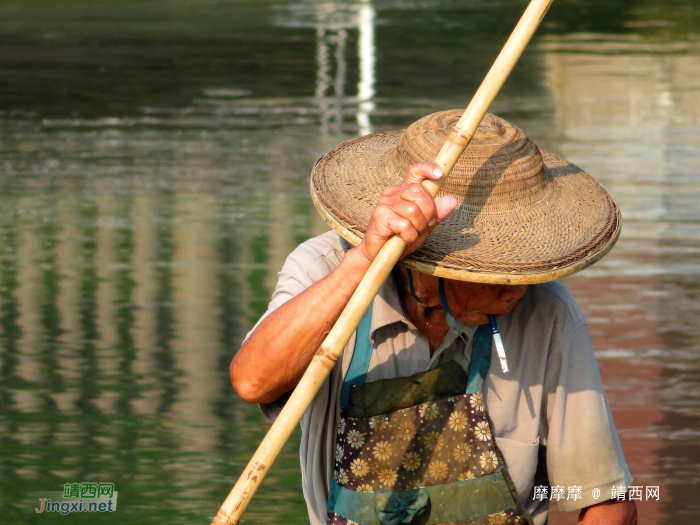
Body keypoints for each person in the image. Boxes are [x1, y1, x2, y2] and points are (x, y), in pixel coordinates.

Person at [231, 111, 637, 525]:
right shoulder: (329, 270)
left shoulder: (547, 314)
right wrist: (365, 262)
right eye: (496, 270)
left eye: (524, 269)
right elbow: (253, 381)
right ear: (426, 259)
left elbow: (606, 503)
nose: (515, 289)